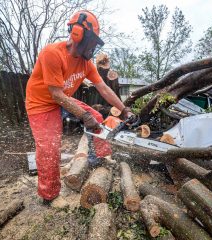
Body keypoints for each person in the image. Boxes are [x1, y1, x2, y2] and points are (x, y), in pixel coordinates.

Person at [25, 10, 136, 205]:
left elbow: (103, 88)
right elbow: (56, 94)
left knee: (97, 117)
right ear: (78, 34)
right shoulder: (53, 53)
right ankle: (49, 196)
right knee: (49, 148)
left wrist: (125, 109)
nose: (93, 47)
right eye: (92, 41)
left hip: (63, 98)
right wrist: (83, 115)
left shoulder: (86, 63)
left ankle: (97, 159)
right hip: (41, 104)